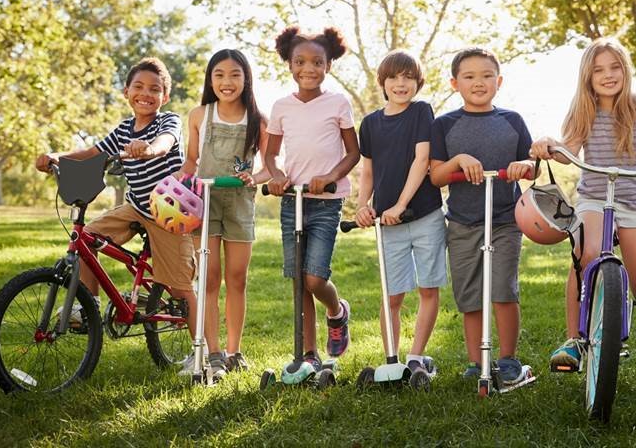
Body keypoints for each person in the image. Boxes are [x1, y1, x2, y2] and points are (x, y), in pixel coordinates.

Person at [530, 37, 636, 392]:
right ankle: (573, 340)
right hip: (593, 197)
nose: (607, 75)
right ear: (587, 76)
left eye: (615, 67)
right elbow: (568, 149)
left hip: (635, 201)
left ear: (625, 71)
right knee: (584, 255)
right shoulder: (582, 110)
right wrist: (550, 146)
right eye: (599, 70)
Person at [35, 57, 199, 362]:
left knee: (179, 287)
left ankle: (202, 351)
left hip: (168, 211)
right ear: (126, 91)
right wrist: (56, 156)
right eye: (138, 86)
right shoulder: (123, 129)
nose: (146, 93)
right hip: (136, 207)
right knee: (88, 237)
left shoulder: (168, 121)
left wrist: (149, 149)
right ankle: (90, 305)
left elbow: (165, 143)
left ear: (165, 97)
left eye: (154, 89)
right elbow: (93, 152)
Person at [429, 48, 535, 384]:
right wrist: (459, 158)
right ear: (454, 83)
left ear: (498, 81)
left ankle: (508, 359)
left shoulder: (512, 121)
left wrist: (524, 166)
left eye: (487, 75)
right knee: (469, 294)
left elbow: (531, 165)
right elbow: (436, 176)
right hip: (462, 221)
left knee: (503, 288)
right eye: (470, 76)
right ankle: (476, 362)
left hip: (505, 219)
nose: (479, 82)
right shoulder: (445, 124)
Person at [264, 25, 360, 369]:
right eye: (300, 61)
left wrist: (331, 177)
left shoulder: (338, 103)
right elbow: (271, 156)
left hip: (326, 202)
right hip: (294, 201)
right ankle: (309, 354)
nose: (308, 68)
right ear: (289, 65)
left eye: (317, 62)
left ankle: (337, 311)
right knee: (299, 283)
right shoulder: (281, 107)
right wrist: (276, 177)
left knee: (314, 278)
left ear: (328, 66)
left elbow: (353, 153)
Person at [176, 49, 269, 378]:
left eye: (234, 75)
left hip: (241, 203)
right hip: (206, 201)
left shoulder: (259, 120)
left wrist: (252, 177)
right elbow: (191, 160)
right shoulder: (200, 115)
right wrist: (180, 178)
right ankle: (212, 352)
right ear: (210, 79)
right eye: (219, 75)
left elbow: (269, 169)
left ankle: (234, 351)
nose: (227, 82)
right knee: (210, 277)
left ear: (246, 79)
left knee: (237, 279)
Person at [354, 50, 446, 373]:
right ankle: (392, 360)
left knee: (428, 288)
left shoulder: (422, 112)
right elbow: (368, 171)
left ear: (418, 83)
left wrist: (400, 205)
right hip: (387, 223)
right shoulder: (369, 125)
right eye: (393, 77)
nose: (400, 83)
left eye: (408, 77)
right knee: (392, 296)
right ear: (383, 82)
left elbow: (422, 161)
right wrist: (363, 205)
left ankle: (416, 357)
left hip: (425, 215)